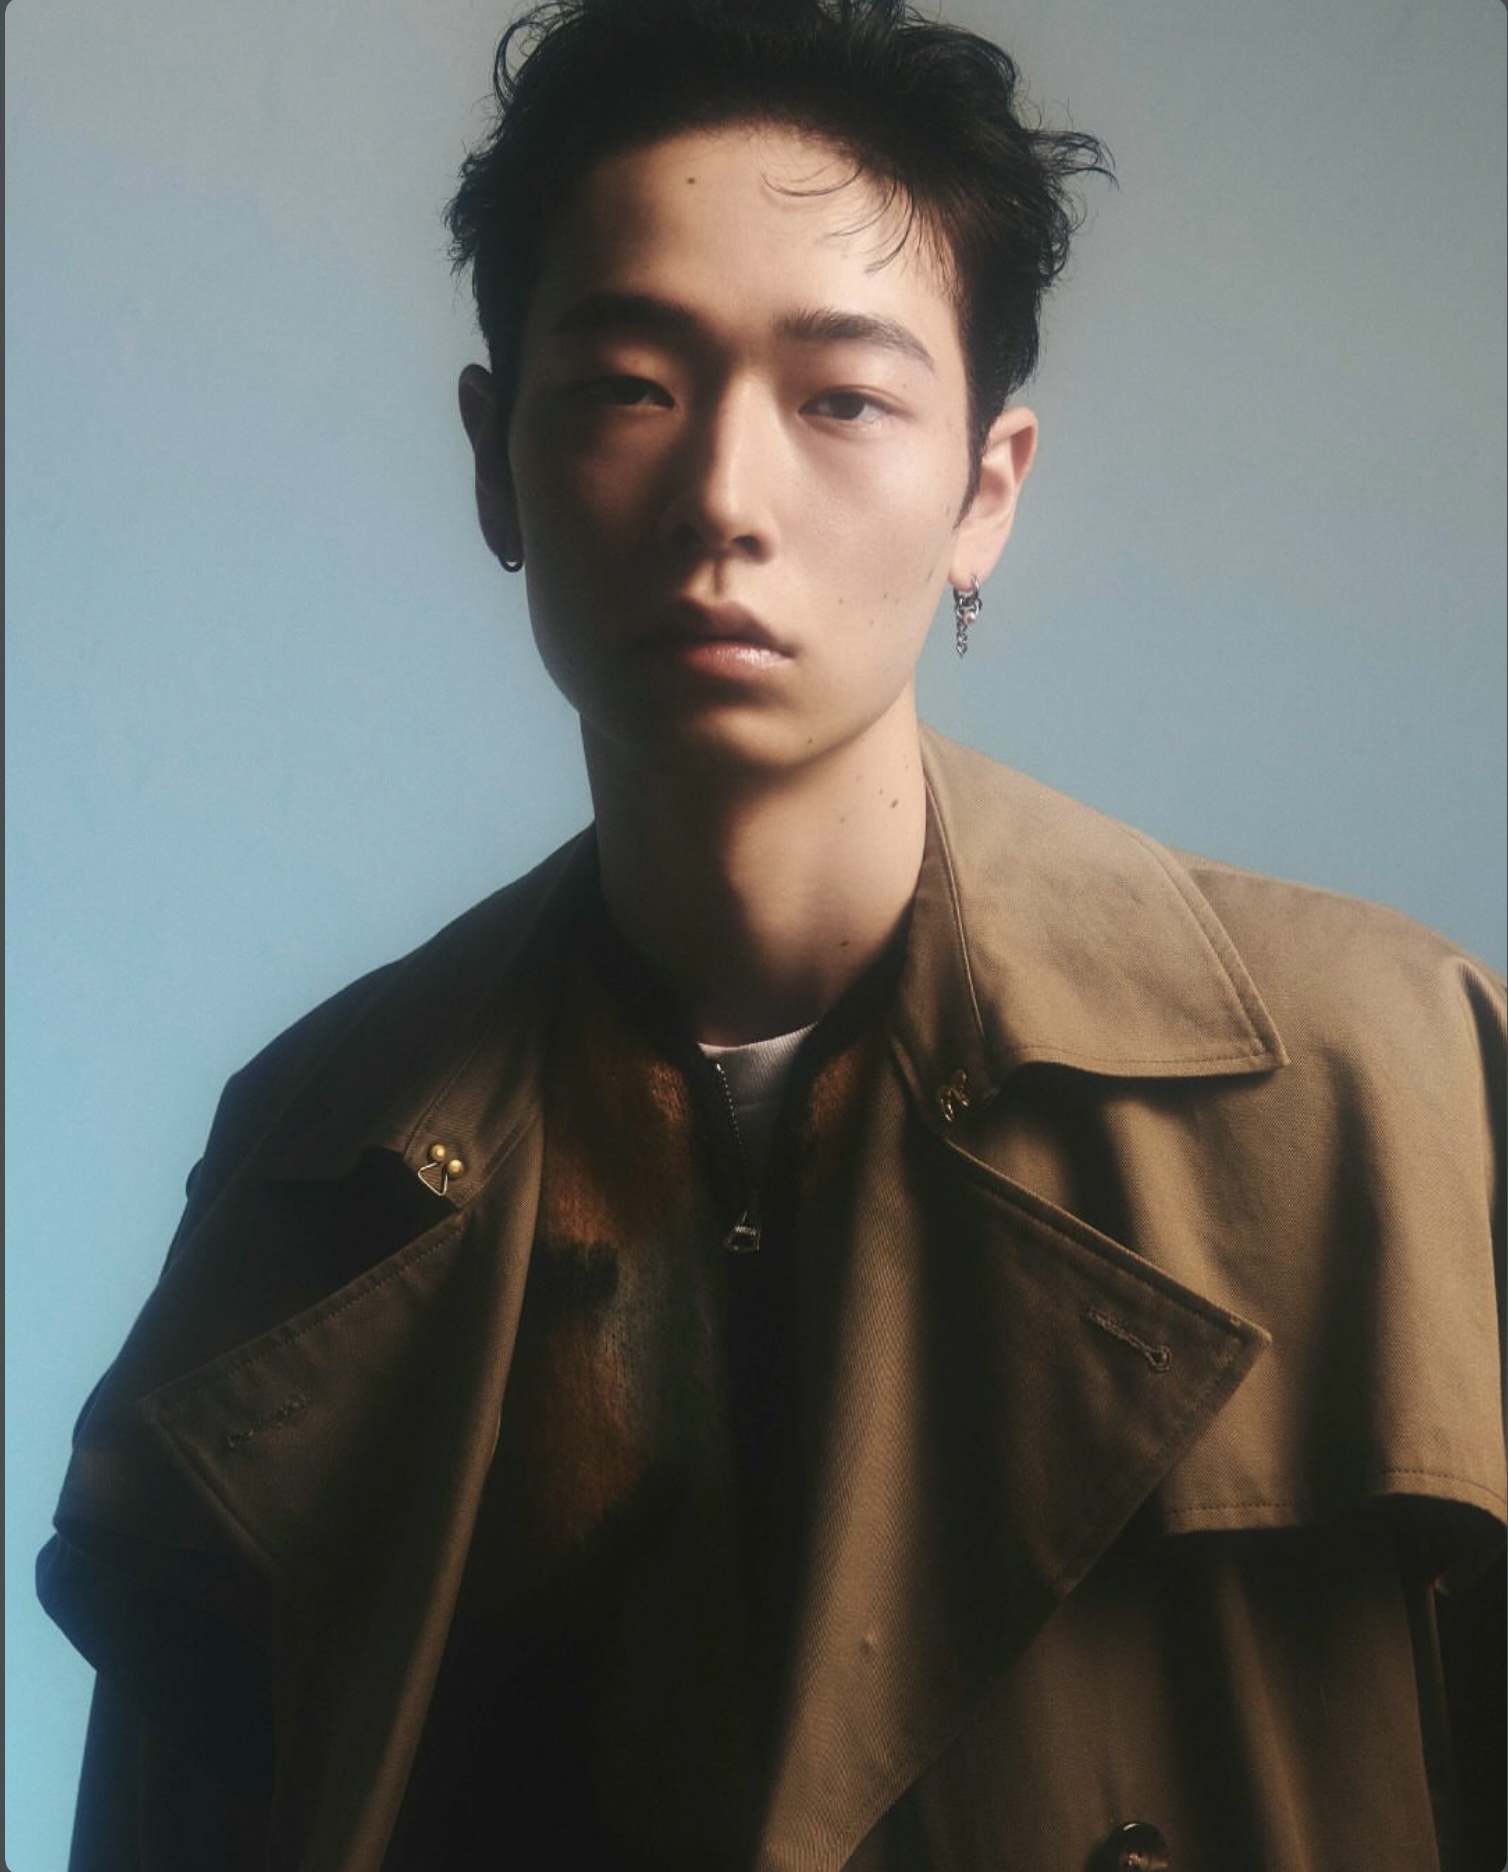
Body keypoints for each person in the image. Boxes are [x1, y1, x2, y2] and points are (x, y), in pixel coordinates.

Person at [38, 0, 1504, 1867]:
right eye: (627, 388)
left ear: (986, 492)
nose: (725, 500)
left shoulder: (1391, 1079)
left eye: (844, 400)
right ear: (493, 461)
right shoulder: (310, 1163)